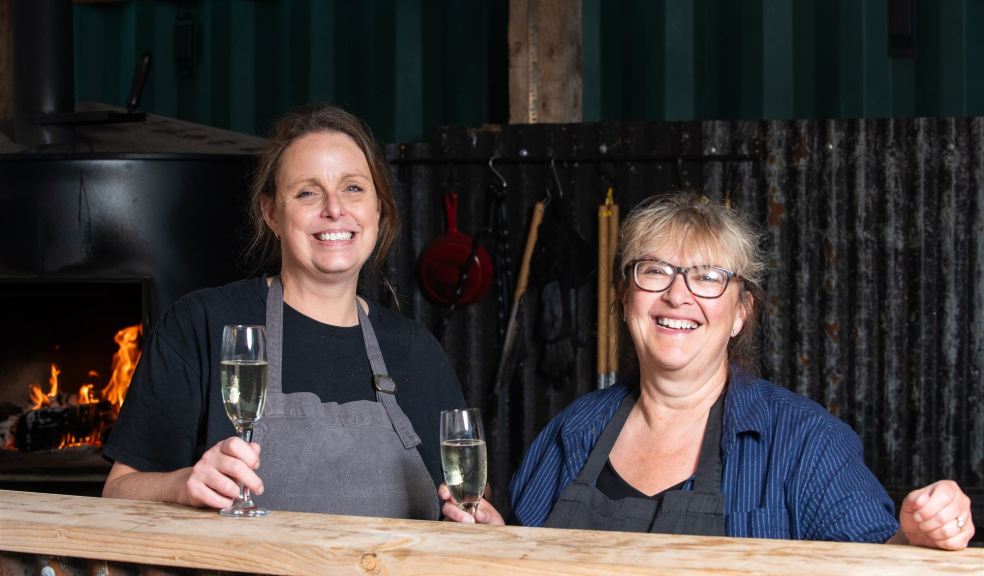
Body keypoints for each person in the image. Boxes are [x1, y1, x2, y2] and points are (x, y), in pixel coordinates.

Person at [441, 192, 975, 550]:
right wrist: (493, 539)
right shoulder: (571, 433)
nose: (678, 294)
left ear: (741, 311)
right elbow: (526, 558)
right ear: (626, 296)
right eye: (656, 271)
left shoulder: (804, 442)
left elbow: (881, 563)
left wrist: (918, 539)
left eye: (708, 277)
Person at [103, 103, 465, 519]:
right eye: (307, 191)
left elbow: (464, 499)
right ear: (271, 213)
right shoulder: (203, 323)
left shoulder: (416, 351)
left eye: (353, 188)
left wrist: (476, 519)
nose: (334, 208)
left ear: (378, 210)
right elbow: (117, 490)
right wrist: (181, 485)